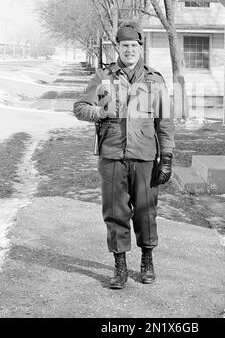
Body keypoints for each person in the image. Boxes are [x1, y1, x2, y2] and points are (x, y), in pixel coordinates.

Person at [73, 20, 175, 289]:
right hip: (112, 155)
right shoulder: (104, 77)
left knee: (145, 212)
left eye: (134, 45)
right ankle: (120, 267)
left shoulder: (154, 80)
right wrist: (100, 111)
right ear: (117, 47)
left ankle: (147, 261)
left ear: (140, 48)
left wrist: (167, 157)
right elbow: (80, 107)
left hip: (144, 156)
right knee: (116, 213)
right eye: (124, 45)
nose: (129, 50)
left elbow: (164, 121)